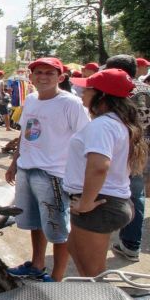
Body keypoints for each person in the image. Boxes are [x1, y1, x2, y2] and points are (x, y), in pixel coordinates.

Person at [5, 57, 90, 282]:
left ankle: (57, 278)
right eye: (38, 72)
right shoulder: (31, 99)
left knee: (58, 229)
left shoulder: (70, 103)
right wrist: (14, 163)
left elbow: (86, 140)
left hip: (53, 175)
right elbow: (24, 134)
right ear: (30, 77)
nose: (43, 77)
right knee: (35, 222)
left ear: (60, 77)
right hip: (27, 169)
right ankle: (37, 264)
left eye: (49, 73)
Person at [64, 69, 147, 276]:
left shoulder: (103, 126)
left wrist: (85, 202)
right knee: (75, 251)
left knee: (92, 275)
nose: (82, 92)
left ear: (102, 95)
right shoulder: (115, 123)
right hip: (105, 202)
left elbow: (99, 166)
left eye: (88, 89)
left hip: (99, 205)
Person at [105, 55, 150, 262]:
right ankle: (132, 244)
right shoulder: (147, 89)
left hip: (123, 150)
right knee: (136, 195)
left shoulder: (118, 90)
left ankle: (97, 239)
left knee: (110, 192)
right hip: (144, 150)